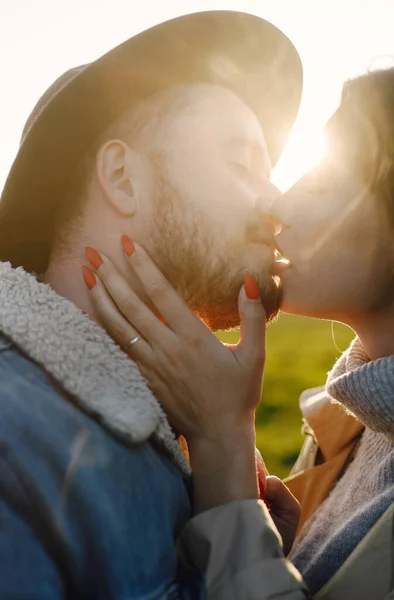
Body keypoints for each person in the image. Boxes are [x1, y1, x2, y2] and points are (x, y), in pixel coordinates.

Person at [0, 10, 303, 598]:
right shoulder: (15, 441)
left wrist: (238, 520)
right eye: (243, 163)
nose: (276, 200)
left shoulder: (180, 442)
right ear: (122, 177)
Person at [87, 66, 394, 599]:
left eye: (324, 183)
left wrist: (224, 442)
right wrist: (281, 548)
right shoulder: (348, 423)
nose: (277, 205)